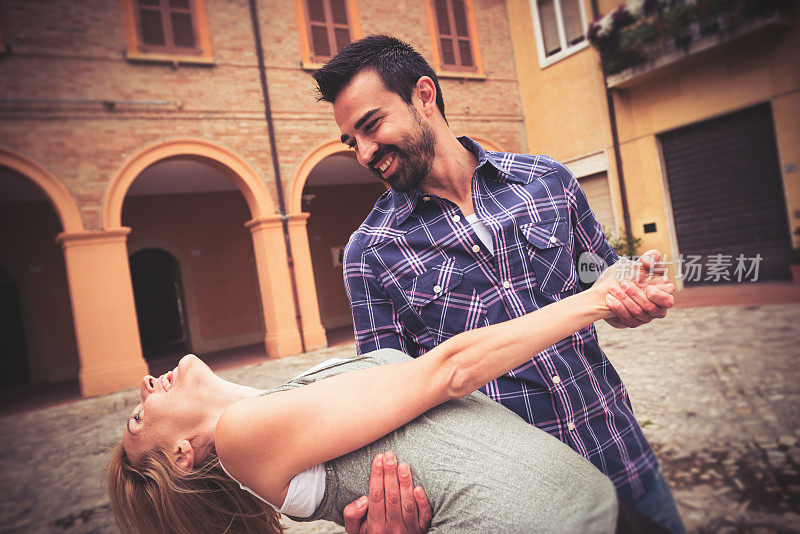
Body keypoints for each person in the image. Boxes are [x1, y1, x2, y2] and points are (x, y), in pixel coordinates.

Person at [313, 35, 685, 533]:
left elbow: (599, 275)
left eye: (371, 126)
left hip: (624, 458)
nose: (363, 153)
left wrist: (634, 291)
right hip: (522, 506)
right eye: (351, 141)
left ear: (424, 96)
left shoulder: (547, 180)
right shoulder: (370, 253)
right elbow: (387, 402)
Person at [107, 256, 672, 533]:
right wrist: (597, 300)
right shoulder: (240, 438)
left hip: (596, 508)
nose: (144, 388)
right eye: (138, 417)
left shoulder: (277, 404)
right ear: (182, 455)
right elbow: (447, 372)